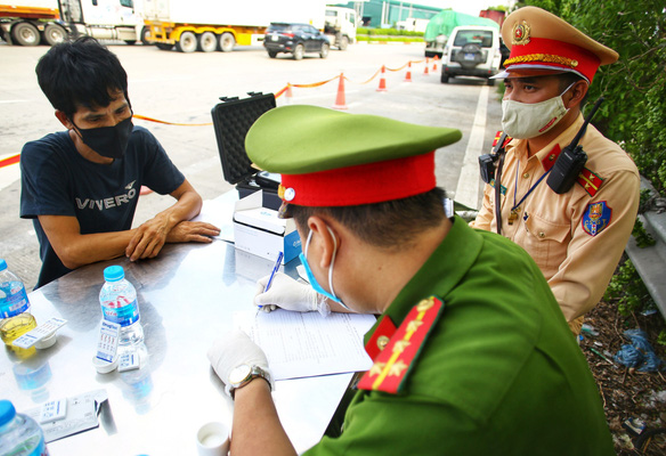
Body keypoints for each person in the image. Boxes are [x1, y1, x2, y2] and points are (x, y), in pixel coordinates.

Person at [207, 105, 615, 455]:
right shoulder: (498, 256)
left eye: (302, 239)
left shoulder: (429, 404)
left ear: (325, 239)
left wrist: (249, 379)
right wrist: (321, 300)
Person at [470, 7, 640, 334]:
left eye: (529, 88)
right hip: (484, 304)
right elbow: (486, 223)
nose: (513, 100)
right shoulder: (510, 146)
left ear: (575, 93)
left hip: (539, 330)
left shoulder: (609, 175)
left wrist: (496, 325)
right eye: (509, 87)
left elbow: (575, 289)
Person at [20, 37, 219, 288]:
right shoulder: (44, 158)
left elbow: (191, 197)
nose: (113, 125)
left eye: (121, 111)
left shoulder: (139, 142)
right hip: (68, 287)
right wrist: (164, 235)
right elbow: (71, 251)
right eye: (95, 119)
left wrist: (163, 222)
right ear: (65, 119)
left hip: (121, 274)